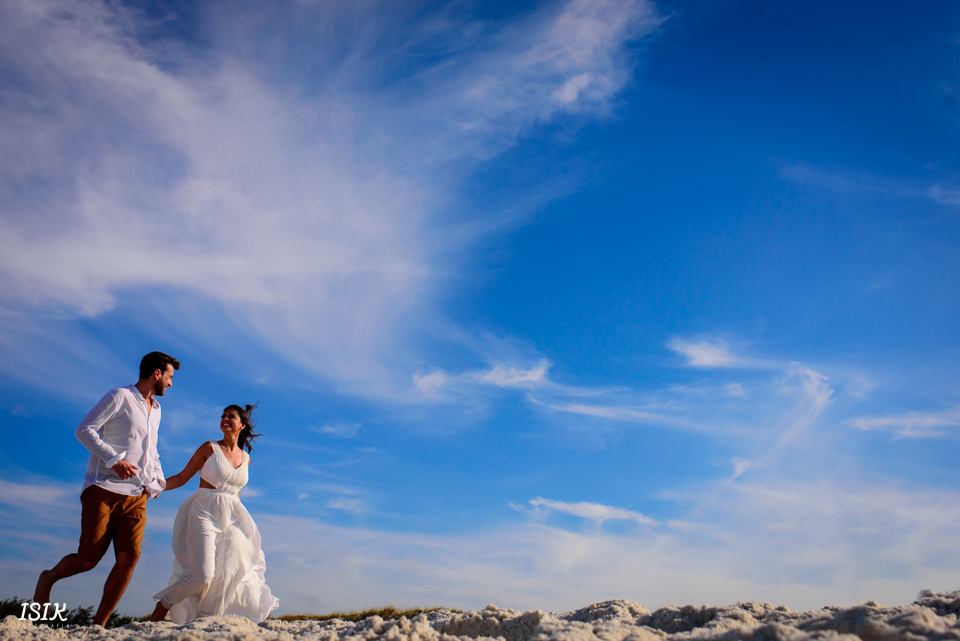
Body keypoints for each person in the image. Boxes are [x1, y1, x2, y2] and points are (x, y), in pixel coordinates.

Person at [34, 351, 180, 627]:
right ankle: (48, 578)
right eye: (170, 377)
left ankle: (98, 626)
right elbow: (84, 429)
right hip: (103, 489)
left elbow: (151, 450)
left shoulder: (158, 410)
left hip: (137, 496)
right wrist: (115, 460)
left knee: (130, 556)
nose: (171, 384)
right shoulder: (119, 396)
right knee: (88, 559)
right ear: (157, 373)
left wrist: (156, 479)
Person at [150, 403, 278, 623]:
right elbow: (182, 477)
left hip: (233, 516)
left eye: (231, 416)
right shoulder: (209, 448)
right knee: (202, 574)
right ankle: (162, 608)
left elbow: (235, 493)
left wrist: (245, 524)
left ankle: (208, 619)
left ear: (242, 425)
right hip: (204, 512)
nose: (225, 419)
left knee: (230, 571)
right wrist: (156, 486)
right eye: (223, 416)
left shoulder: (246, 458)